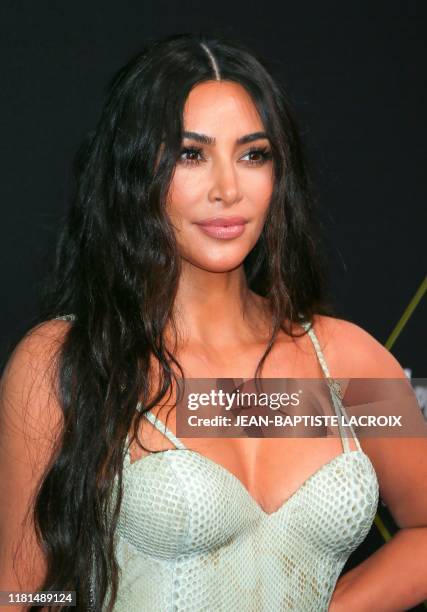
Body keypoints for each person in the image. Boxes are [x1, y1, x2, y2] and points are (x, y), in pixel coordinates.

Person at [0, 33, 426, 612]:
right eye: (190, 154)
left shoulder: (344, 363)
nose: (228, 189)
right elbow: (19, 591)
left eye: (254, 154)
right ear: (135, 171)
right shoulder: (68, 362)